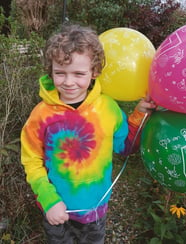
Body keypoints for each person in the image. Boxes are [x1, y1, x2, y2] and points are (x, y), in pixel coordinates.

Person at [20, 24, 156, 243]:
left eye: (79, 73)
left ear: (95, 71)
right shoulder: (40, 115)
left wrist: (139, 115)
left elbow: (125, 147)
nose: (69, 81)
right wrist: (49, 200)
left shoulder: (108, 108)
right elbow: (31, 161)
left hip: (95, 211)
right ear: (51, 70)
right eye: (60, 73)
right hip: (56, 210)